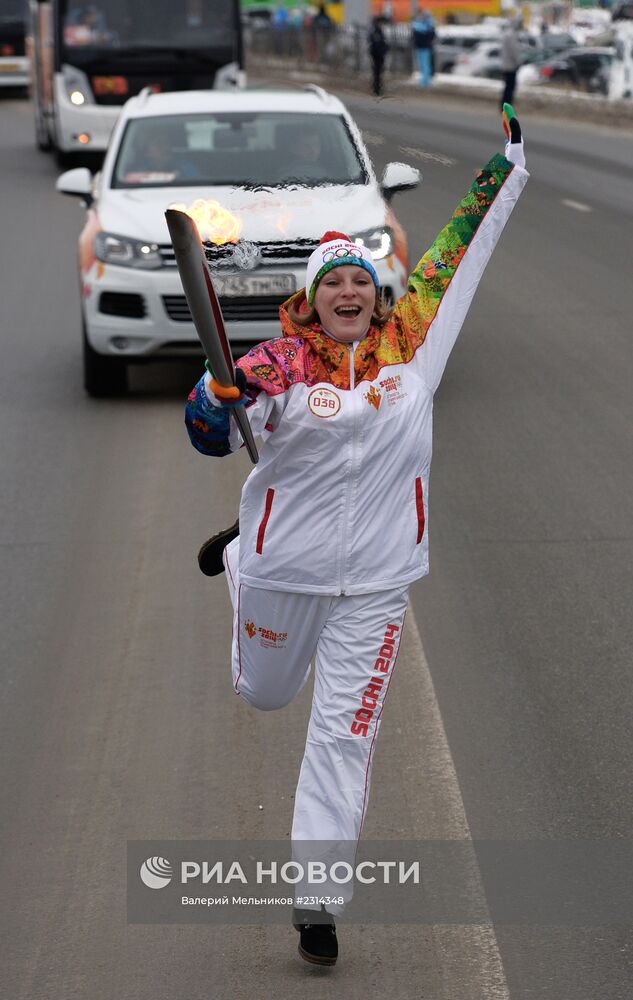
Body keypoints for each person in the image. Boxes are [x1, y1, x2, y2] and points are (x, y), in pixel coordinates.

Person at [185, 107, 528, 966]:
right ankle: (236, 554)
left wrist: (507, 165)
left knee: (343, 737)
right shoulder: (273, 365)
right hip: (281, 570)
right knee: (264, 696)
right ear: (310, 297)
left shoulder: (410, 351)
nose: (348, 293)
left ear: (377, 294)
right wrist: (208, 402)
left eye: (361, 282)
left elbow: (459, 251)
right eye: (333, 281)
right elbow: (210, 434)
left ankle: (316, 905)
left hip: (375, 583)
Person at [411, 6, 436, 87]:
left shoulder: (427, 24)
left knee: (425, 64)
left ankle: (425, 81)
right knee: (423, 64)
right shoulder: (421, 24)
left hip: (424, 47)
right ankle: (425, 80)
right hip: (422, 46)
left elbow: (431, 36)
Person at [501, 17, 522, 110]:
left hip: (506, 65)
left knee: (507, 87)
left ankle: (504, 105)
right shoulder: (511, 35)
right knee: (510, 88)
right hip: (511, 66)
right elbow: (514, 51)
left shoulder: (506, 34)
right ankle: (507, 107)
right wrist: (518, 62)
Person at [368, 16, 389, 97]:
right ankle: (376, 90)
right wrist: (384, 50)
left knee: (378, 73)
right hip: (377, 55)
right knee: (377, 73)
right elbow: (377, 44)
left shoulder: (376, 30)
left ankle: (377, 89)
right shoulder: (376, 31)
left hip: (377, 54)